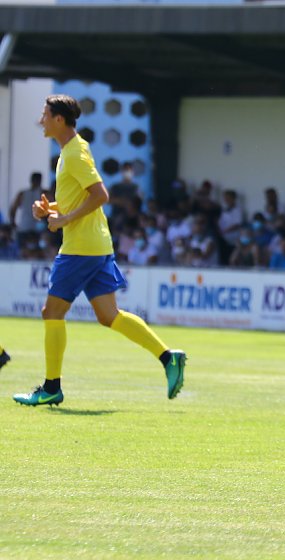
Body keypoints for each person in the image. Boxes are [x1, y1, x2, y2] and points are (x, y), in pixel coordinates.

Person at [13, 94, 186, 407]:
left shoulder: (74, 154)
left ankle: (52, 386)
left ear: (59, 120)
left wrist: (63, 218)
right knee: (109, 316)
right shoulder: (73, 149)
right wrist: (49, 208)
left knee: (51, 312)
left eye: (45, 114)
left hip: (80, 248)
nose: (41, 119)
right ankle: (168, 357)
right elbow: (83, 197)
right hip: (97, 245)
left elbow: (100, 195)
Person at [9, 172, 47, 243]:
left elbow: (13, 210)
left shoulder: (22, 194)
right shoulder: (44, 193)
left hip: (27, 227)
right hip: (36, 228)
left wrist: (13, 223)